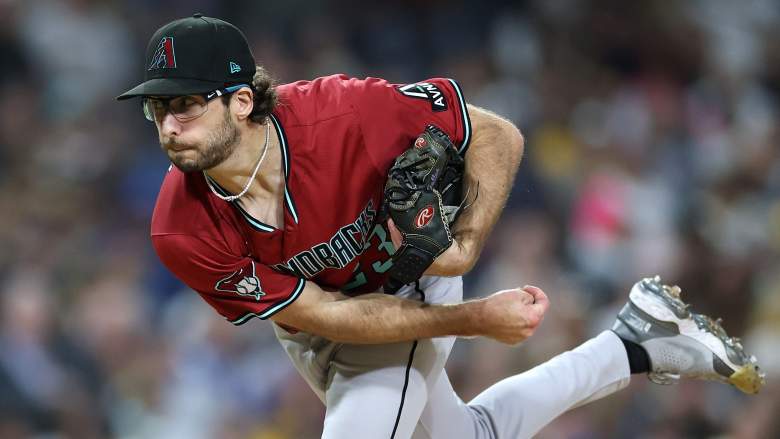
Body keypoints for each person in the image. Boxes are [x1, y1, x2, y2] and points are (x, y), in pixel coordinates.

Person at [117, 14, 764, 439]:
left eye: (185, 104)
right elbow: (329, 318)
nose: (169, 125)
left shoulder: (346, 113)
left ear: (240, 101)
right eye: (157, 109)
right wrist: (476, 319)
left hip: (409, 282)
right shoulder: (179, 230)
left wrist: (465, 249)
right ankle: (635, 342)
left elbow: (495, 132)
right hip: (323, 327)